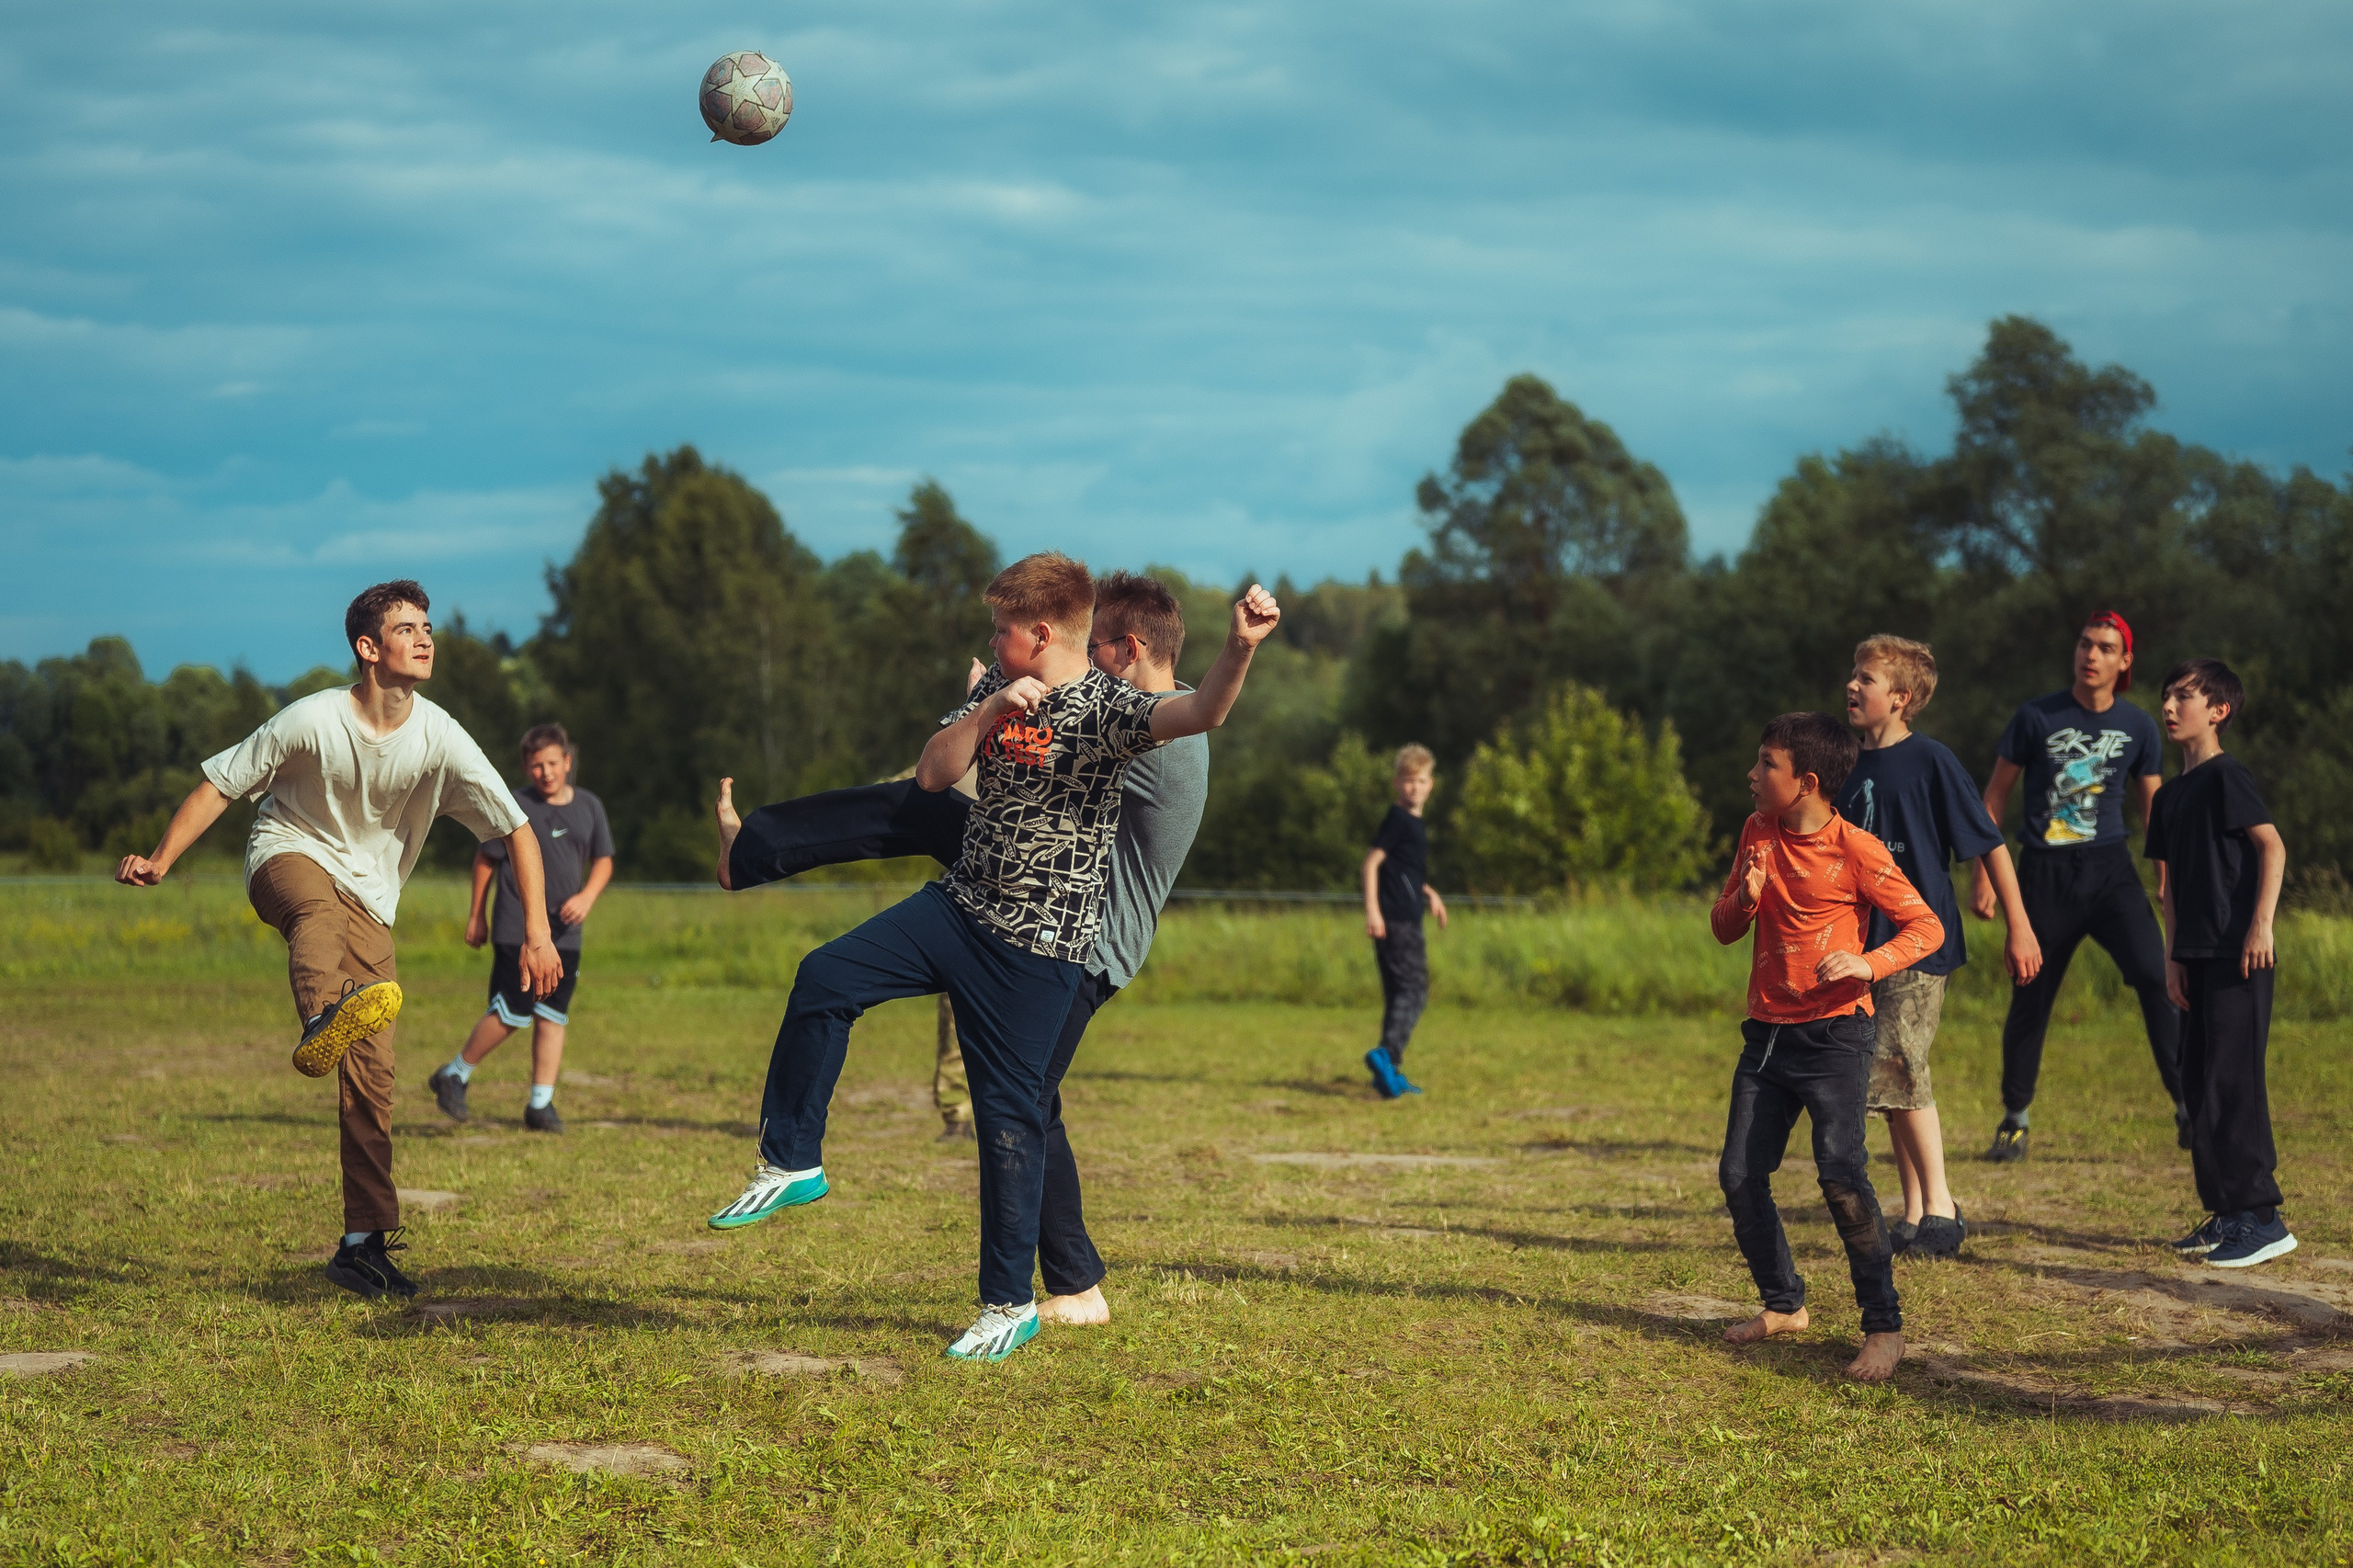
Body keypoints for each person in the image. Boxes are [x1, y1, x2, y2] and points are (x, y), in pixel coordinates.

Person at [703, 555, 1276, 1362]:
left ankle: (1055, 1288)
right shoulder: (1067, 691)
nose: (1087, 655)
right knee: (911, 813)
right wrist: (990, 707)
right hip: (999, 895)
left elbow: (1201, 710)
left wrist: (1240, 648)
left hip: (1080, 944)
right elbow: (964, 774)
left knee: (1020, 1107)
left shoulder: (1146, 727)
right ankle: (754, 853)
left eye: (1099, 645)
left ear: (1128, 647)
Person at [114, 581, 561, 1300]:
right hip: (286, 857)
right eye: (406, 629)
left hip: (373, 903)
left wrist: (537, 932)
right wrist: (161, 859)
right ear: (367, 647)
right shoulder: (312, 720)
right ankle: (321, 1009)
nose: (424, 639)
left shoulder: (440, 735)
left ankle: (362, 1243)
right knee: (315, 917)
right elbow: (220, 784)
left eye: (427, 627)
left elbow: (517, 829)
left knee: (374, 1074)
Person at [1710, 711, 1943, 1383]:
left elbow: (1924, 927)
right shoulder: (1757, 832)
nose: (1752, 776)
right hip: (1767, 1035)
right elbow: (1725, 926)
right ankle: (1784, 1305)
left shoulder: (1858, 850)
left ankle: (1884, 1327)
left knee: (1841, 1175)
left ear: (1806, 781)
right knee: (1739, 1175)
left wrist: (1870, 964)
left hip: (1838, 1034)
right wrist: (1746, 900)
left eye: (1766, 765)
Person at [1836, 636, 2040, 1257]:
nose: (1852, 686)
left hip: (1919, 944)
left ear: (1900, 699)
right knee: (1888, 1080)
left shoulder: (1932, 762)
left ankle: (1945, 1210)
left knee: (1901, 1065)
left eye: (1865, 679)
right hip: (1861, 949)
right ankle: (1914, 1213)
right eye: (1853, 674)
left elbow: (1990, 843)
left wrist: (2019, 923)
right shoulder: (1845, 763)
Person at [1970, 612, 2180, 1162]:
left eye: (2106, 648)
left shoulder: (2139, 727)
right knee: (2030, 996)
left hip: (2111, 873)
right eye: (2085, 644)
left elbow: (2153, 806)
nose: (2091, 655)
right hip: (2044, 875)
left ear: (2124, 661)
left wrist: (2166, 880)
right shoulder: (2036, 716)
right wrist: (1986, 876)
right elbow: (1993, 798)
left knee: (2158, 979)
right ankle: (2014, 1118)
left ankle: (2188, 1106)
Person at [2144, 660, 2294, 1268]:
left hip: (2240, 952)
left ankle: (2262, 1216)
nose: (2171, 706)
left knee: (2233, 1083)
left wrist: (2261, 923)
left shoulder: (2228, 776)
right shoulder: (2171, 795)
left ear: (2218, 710)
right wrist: (2172, 957)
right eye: (2168, 696)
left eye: (2185, 696)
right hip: (2196, 956)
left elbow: (2272, 845)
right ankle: (2226, 1211)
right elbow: (2169, 887)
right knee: (2198, 1081)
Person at [428, 722, 614, 1134]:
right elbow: (486, 858)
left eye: (552, 763)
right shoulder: (513, 804)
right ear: (525, 768)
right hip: (518, 928)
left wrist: (587, 898)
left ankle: (540, 1104)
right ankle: (454, 1074)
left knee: (553, 1014)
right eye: (535, 765)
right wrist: (477, 914)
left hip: (565, 933)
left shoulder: (589, 806)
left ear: (568, 761)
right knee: (514, 1010)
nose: (545, 772)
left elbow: (604, 859)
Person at [1359, 744, 1449, 1098]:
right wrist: (1373, 911)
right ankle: (1386, 1055)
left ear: (1431, 785)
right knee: (1414, 991)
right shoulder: (1398, 819)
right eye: (1408, 780)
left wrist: (1430, 893)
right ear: (1398, 783)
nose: (1414, 787)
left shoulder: (1413, 822)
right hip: (1396, 921)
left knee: (1399, 993)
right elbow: (1371, 864)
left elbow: (1404, 869)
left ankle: (1389, 1073)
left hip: (1405, 915)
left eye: (1421, 781)